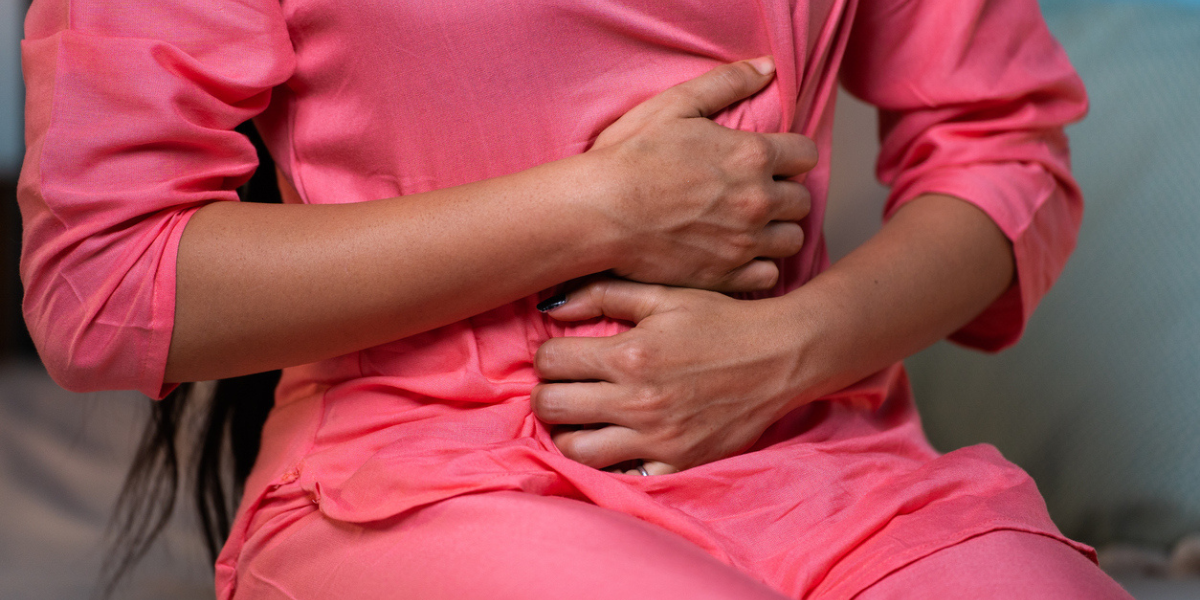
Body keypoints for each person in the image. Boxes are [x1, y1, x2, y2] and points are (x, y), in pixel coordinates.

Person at [18, 0, 1132, 598]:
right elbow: (102, 278)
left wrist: (792, 347)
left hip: (825, 464)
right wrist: (599, 207)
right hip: (421, 479)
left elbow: (1005, 147)